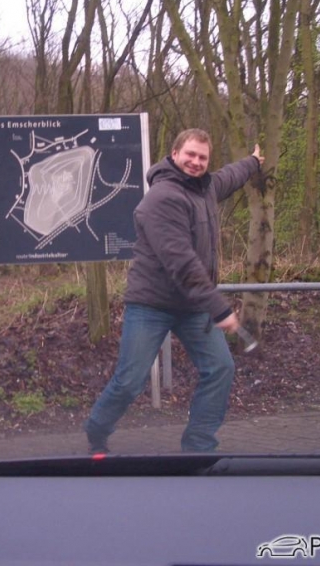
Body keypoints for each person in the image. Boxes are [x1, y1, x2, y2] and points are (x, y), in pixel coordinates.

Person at [84, 128, 264, 453]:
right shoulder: (162, 198)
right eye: (190, 155)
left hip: (192, 307)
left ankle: (198, 447)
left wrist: (251, 162)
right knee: (130, 381)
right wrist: (219, 308)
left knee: (220, 368)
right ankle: (97, 429)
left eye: (202, 157)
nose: (196, 162)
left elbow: (228, 177)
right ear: (175, 154)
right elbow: (181, 262)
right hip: (152, 304)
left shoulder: (204, 189)